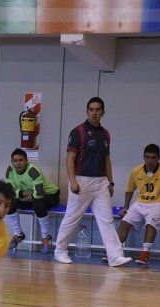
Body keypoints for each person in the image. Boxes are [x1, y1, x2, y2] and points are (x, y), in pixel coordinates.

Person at [53, 97, 132, 267]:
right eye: (91, 109)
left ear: (103, 112)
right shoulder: (78, 132)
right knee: (72, 217)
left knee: (107, 220)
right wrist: (73, 181)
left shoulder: (106, 134)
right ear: (87, 111)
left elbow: (106, 159)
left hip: (101, 183)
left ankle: (114, 256)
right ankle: (60, 250)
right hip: (81, 181)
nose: (94, 113)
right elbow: (70, 158)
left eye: (97, 110)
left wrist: (111, 182)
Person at [116, 143, 160, 265]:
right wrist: (126, 207)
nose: (150, 160)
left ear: (159, 158)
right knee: (125, 221)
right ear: (143, 157)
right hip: (140, 203)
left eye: (153, 158)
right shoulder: (136, 171)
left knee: (151, 222)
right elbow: (129, 190)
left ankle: (145, 253)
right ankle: (115, 252)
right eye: (147, 157)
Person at [4, 148, 60, 253]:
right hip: (29, 196)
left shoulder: (33, 171)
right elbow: (9, 192)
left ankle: (46, 237)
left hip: (51, 195)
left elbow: (39, 194)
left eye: (21, 160)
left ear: (26, 161)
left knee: (37, 203)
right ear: (12, 162)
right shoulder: (10, 170)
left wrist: (25, 194)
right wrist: (23, 193)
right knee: (8, 203)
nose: (18, 163)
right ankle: (18, 234)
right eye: (15, 161)